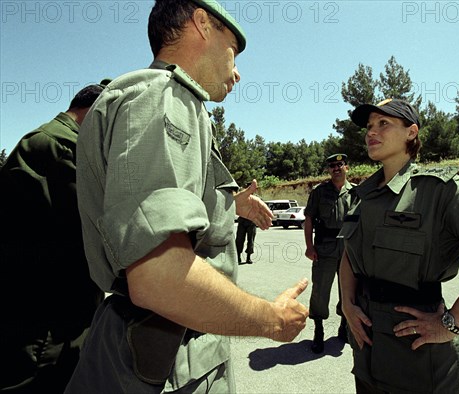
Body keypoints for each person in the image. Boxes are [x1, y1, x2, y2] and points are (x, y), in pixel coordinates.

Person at [65, 1, 308, 393]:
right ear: (202, 25)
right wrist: (273, 320)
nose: (238, 71)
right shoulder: (165, 99)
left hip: (158, 349)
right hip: (166, 360)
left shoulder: (152, 98)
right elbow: (160, 276)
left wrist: (231, 203)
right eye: (234, 50)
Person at [338, 98, 459, 393]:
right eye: (370, 126)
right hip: (367, 349)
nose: (371, 132)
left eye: (383, 123)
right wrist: (347, 303)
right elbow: (348, 253)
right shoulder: (362, 194)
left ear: (411, 132)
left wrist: (451, 324)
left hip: (419, 357)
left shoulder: (441, 189)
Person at [0, 82, 108, 392]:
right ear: (95, 113)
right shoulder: (63, 146)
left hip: (51, 320)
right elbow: (97, 230)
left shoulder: (53, 142)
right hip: (46, 327)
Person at [304, 153, 355, 353]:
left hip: (348, 249)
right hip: (324, 247)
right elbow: (309, 219)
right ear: (329, 170)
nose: (336, 168)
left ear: (346, 167)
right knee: (320, 291)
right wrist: (309, 246)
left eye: (340, 164)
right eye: (332, 166)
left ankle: (344, 326)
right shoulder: (319, 192)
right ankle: (318, 331)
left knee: (348, 290)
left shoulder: (355, 192)